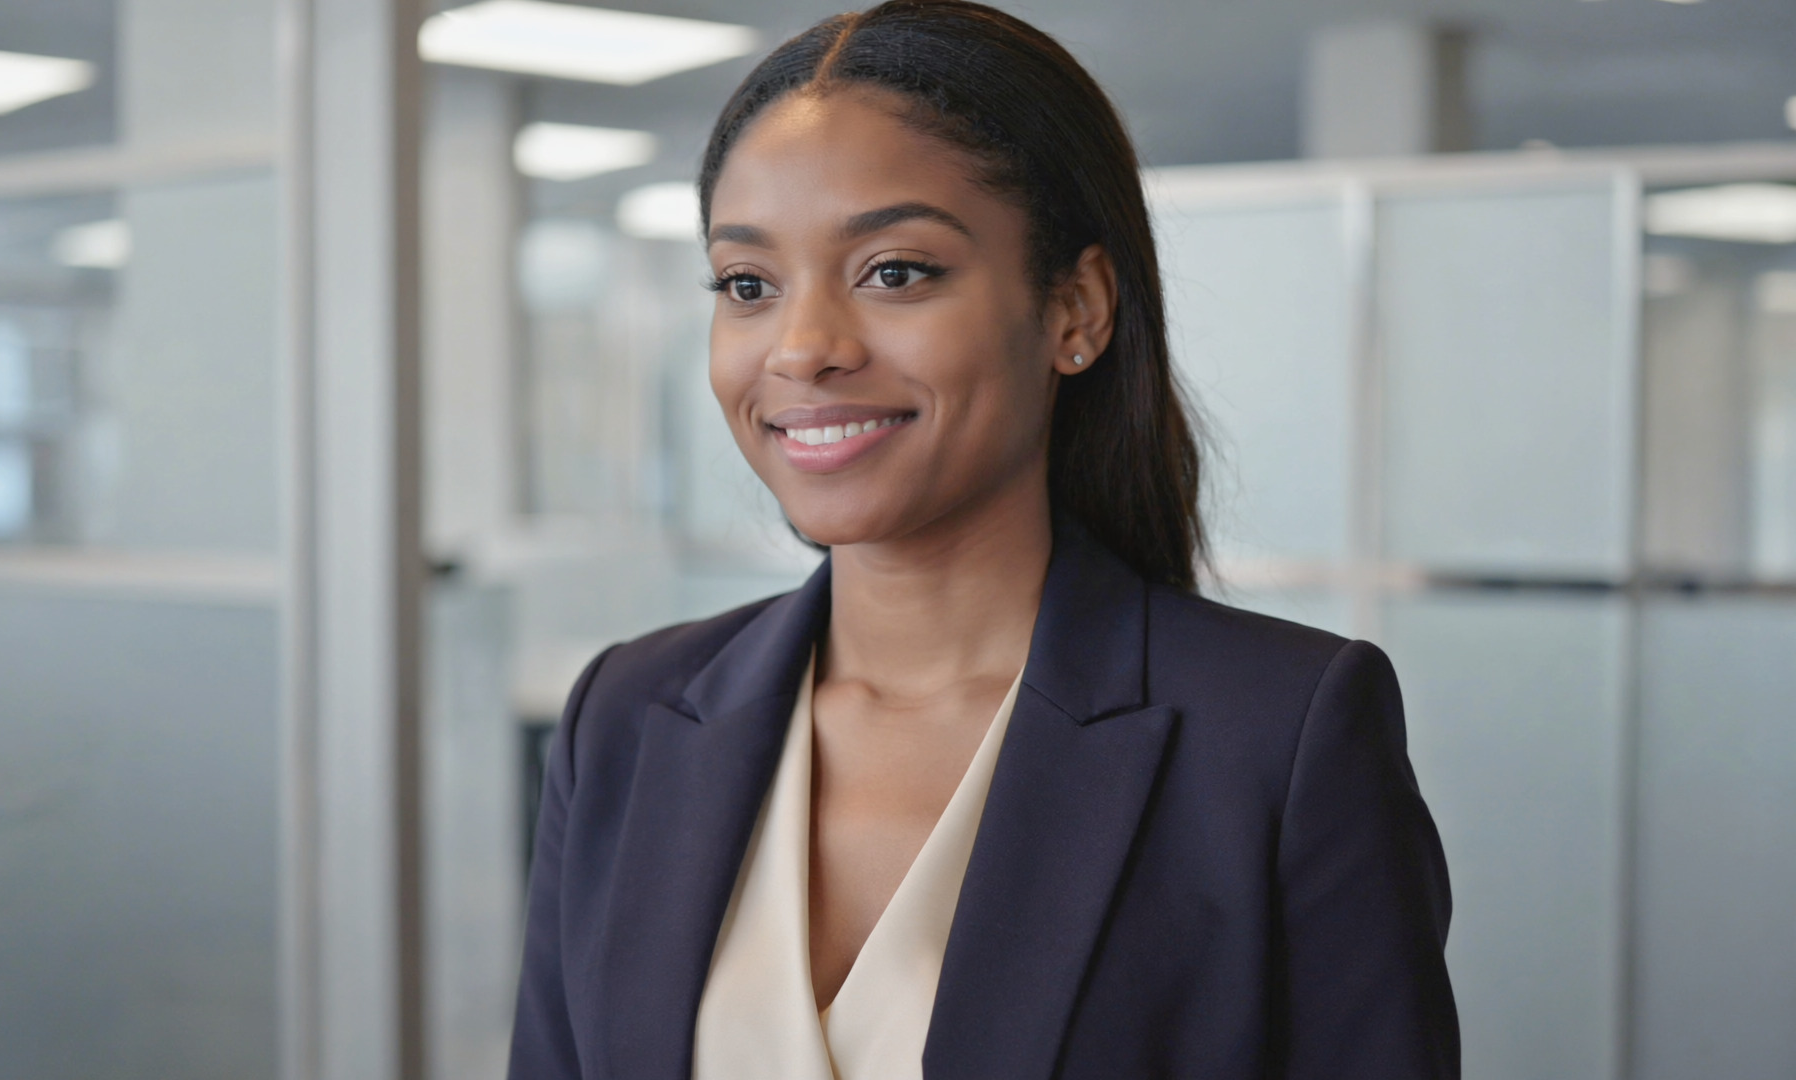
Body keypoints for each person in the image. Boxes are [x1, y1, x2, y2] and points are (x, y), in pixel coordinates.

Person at [507, 1, 1459, 1076]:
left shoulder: (1276, 741)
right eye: (748, 285)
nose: (803, 348)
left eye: (895, 270)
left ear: (1075, 310)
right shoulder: (626, 719)